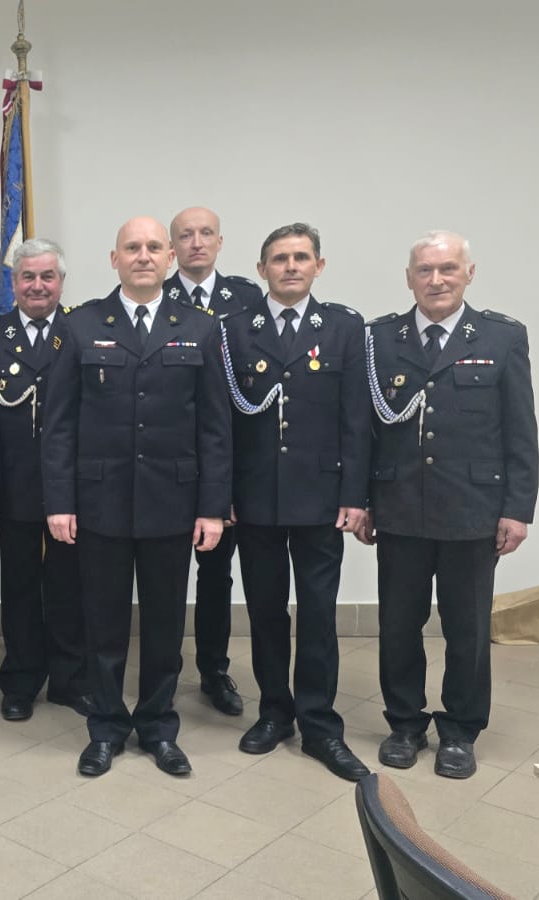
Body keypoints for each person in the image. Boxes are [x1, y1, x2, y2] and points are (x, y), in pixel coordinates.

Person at [42, 216, 230, 778]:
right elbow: (58, 425)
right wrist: (59, 501)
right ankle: (105, 727)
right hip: (99, 502)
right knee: (102, 623)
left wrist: (211, 507)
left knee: (166, 625)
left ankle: (158, 727)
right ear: (114, 259)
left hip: (173, 503)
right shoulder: (80, 325)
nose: (143, 256)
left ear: (170, 257)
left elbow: (216, 429)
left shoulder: (200, 328)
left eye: (153, 247)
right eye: (132, 247)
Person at [359, 231, 538, 780]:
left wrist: (518, 508)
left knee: (467, 628)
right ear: (409, 278)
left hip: (472, 510)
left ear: (469, 274)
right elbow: (364, 430)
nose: (436, 280)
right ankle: (405, 723)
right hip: (399, 508)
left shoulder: (502, 337)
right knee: (398, 624)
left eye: (448, 269)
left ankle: (460, 730)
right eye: (425, 270)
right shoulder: (379, 339)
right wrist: (362, 500)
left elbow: (520, 429)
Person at [223, 223, 371, 781]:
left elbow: (356, 419)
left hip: (321, 498)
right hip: (255, 497)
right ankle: (274, 713)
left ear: (318, 266)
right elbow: (222, 423)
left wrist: (355, 495)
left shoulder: (343, 328)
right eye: (280, 258)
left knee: (317, 614)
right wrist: (222, 495)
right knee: (265, 612)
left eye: (301, 257)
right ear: (261, 269)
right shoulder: (234, 329)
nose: (290, 267)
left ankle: (320, 725)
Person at [0, 238, 90, 722]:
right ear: (14, 282)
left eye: (47, 276)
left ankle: (70, 680)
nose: (38, 285)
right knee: (19, 584)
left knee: (70, 584)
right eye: (28, 277)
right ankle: (21, 680)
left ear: (61, 282)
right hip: (16, 483)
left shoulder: (82, 330)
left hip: (73, 486)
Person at [163, 206, 263, 717]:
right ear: (172, 247)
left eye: (206, 233)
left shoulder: (246, 300)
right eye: (185, 235)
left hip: (230, 459)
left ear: (220, 242)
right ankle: (161, 669)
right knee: (164, 575)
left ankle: (213, 670)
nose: (196, 242)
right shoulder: (155, 297)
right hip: (171, 462)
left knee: (217, 573)